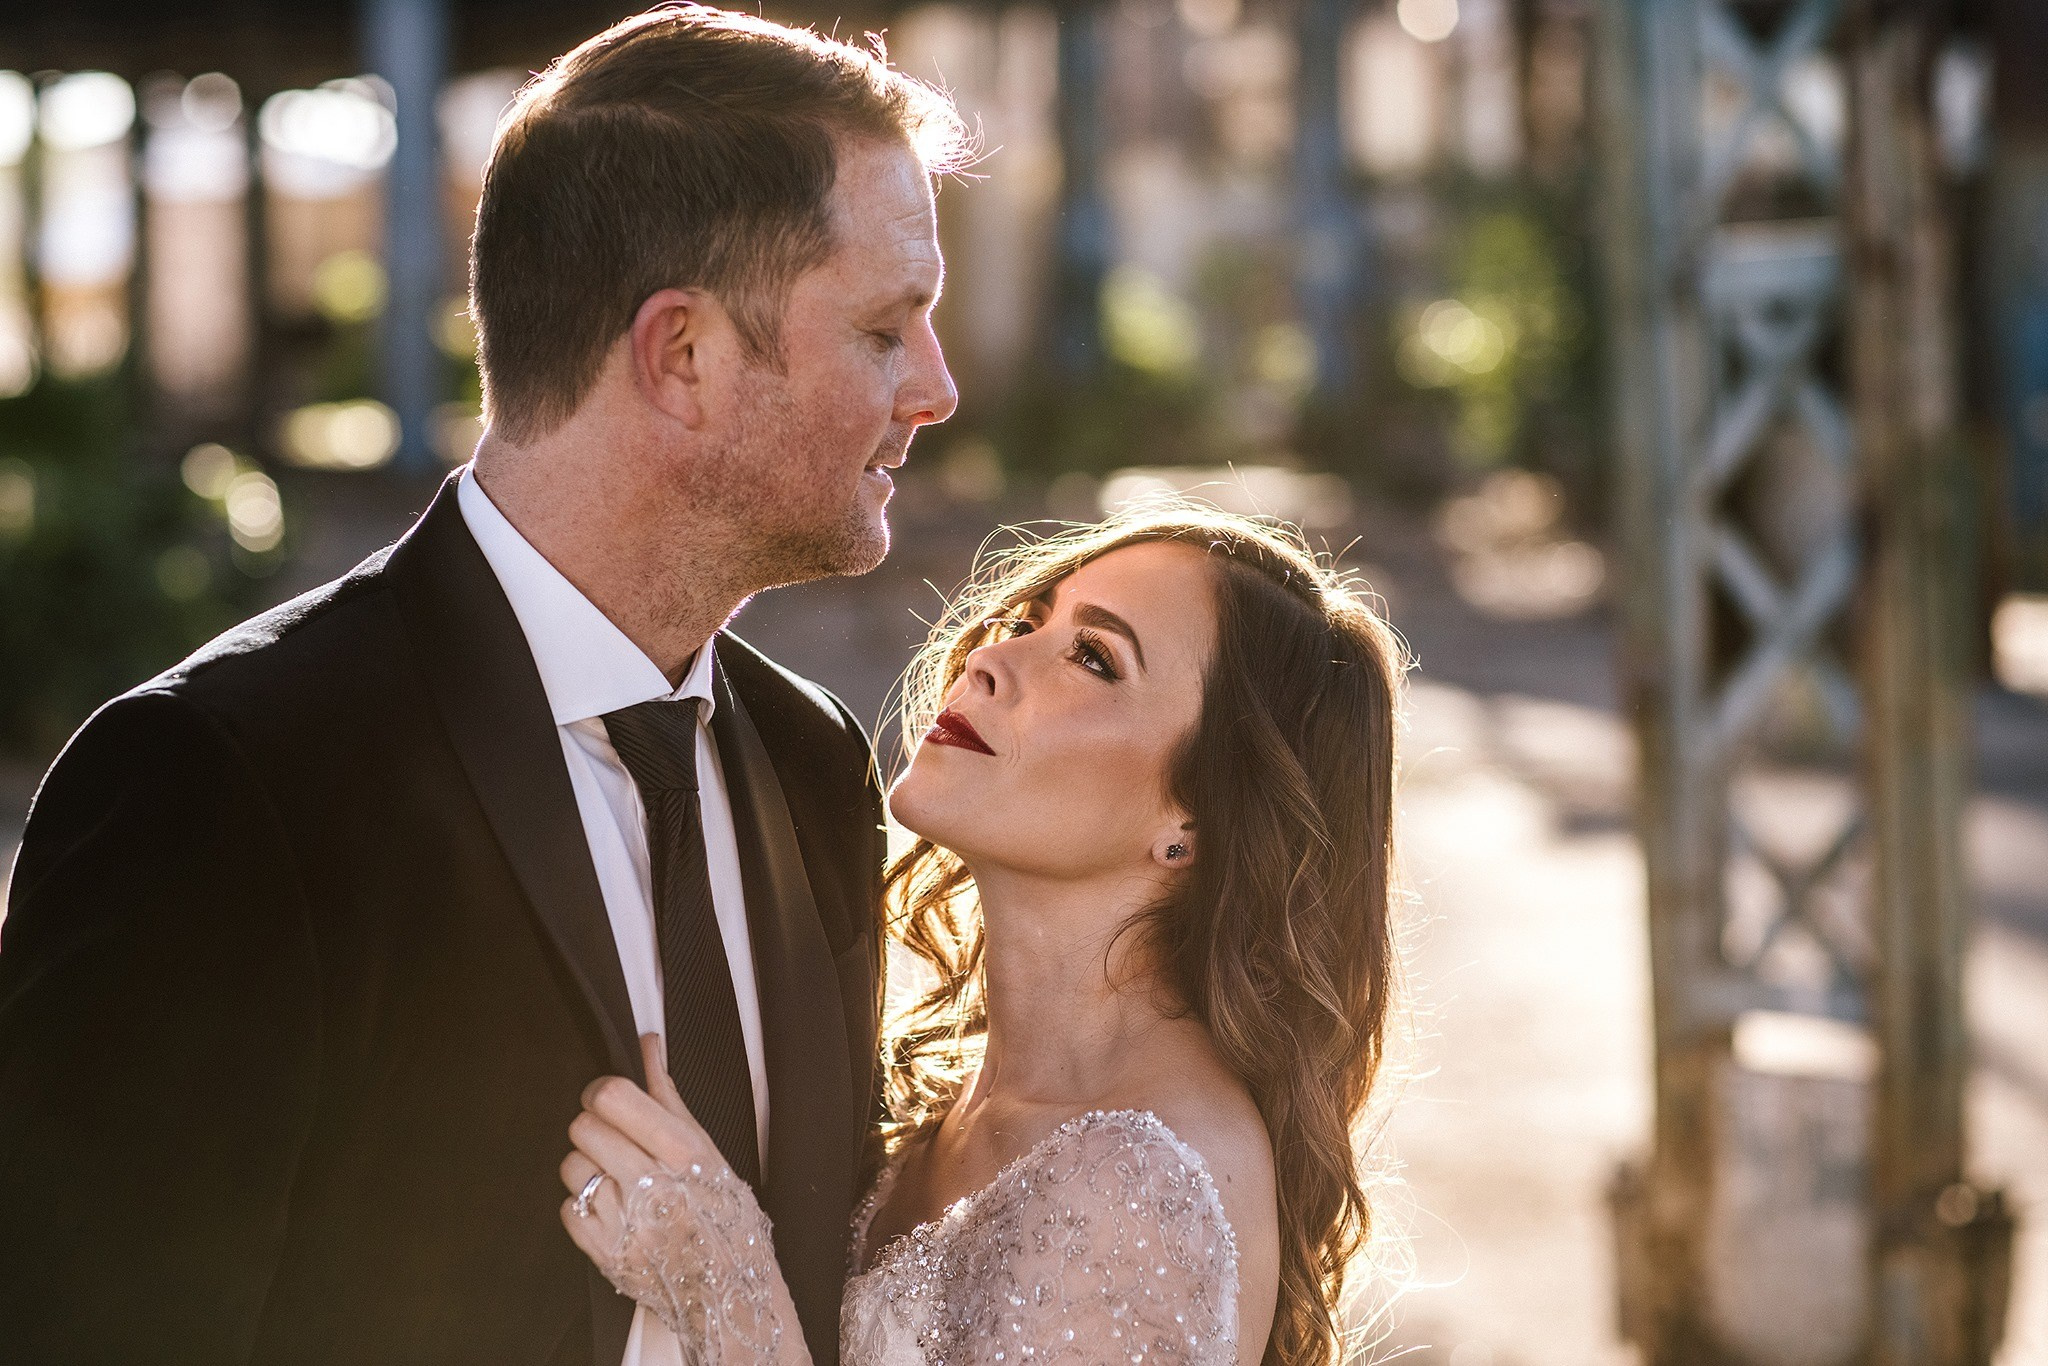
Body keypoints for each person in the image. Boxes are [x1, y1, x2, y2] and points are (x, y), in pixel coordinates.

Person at [0, 9, 967, 1365]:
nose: (937, 387)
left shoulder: (813, 766)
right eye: (887, 326)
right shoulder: (222, 781)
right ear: (681, 354)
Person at [557, 510, 1408, 1366]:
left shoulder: (1147, 1185)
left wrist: (723, 1290)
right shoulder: (940, 1104)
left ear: (1199, 818)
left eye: (1093, 659)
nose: (990, 659)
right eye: (1030, 621)